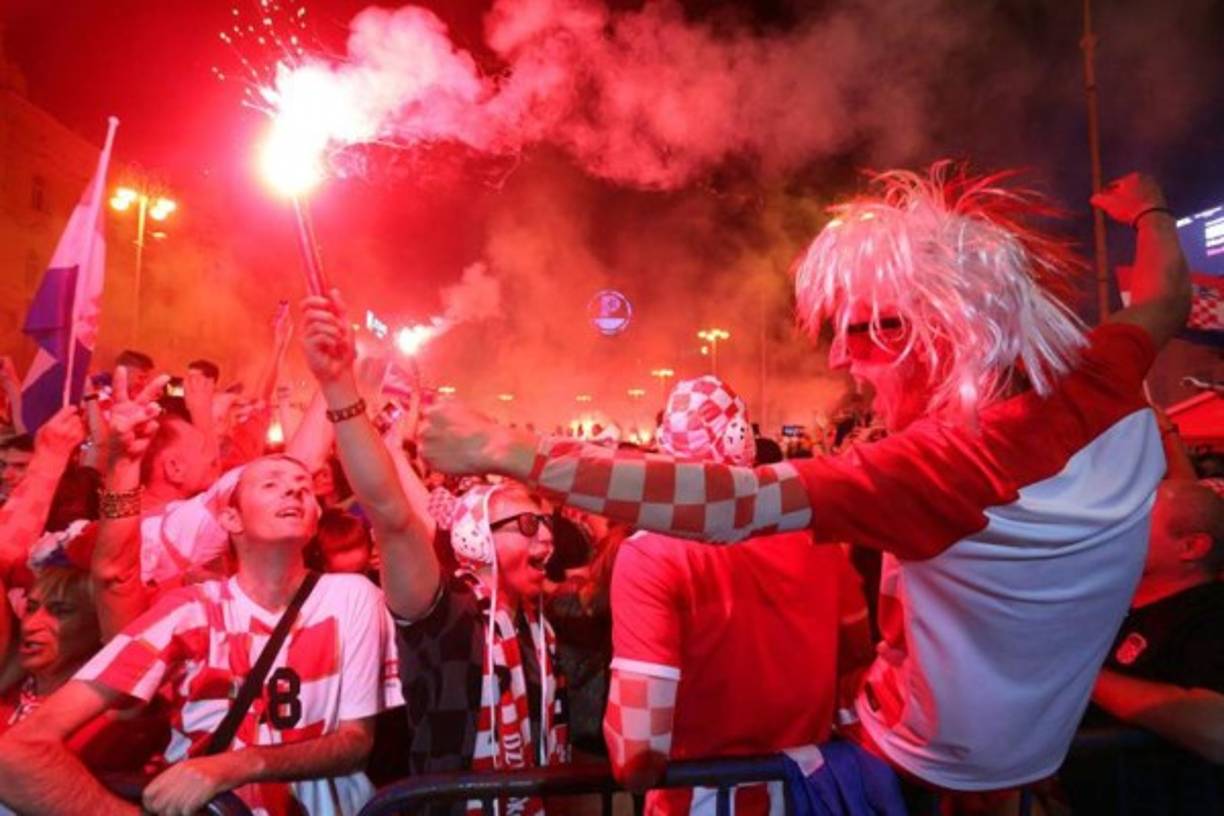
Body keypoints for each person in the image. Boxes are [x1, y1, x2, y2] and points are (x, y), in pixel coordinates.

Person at [420, 168, 1190, 805]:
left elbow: (726, 505)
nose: (839, 361)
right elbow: (1164, 299)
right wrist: (1150, 211)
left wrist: (509, 450)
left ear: (936, 333)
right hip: (1032, 763)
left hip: (914, 771)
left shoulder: (943, 466)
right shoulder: (1102, 371)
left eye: (862, 332)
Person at [0, 363, 403, 816]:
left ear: (315, 517)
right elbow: (15, 754)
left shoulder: (351, 596)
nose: (293, 492)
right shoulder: (189, 612)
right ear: (229, 518)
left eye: (303, 489)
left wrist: (235, 766)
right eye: (272, 485)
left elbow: (354, 743)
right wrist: (122, 464)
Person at [298, 292, 569, 816]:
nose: (546, 541)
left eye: (546, 524)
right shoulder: (446, 617)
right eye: (527, 525)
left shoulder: (537, 619)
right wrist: (339, 388)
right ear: (475, 540)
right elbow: (393, 517)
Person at [604, 376, 875, 815]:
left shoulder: (651, 553)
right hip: (812, 795)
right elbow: (858, 662)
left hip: (703, 803)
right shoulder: (818, 539)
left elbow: (636, 753)